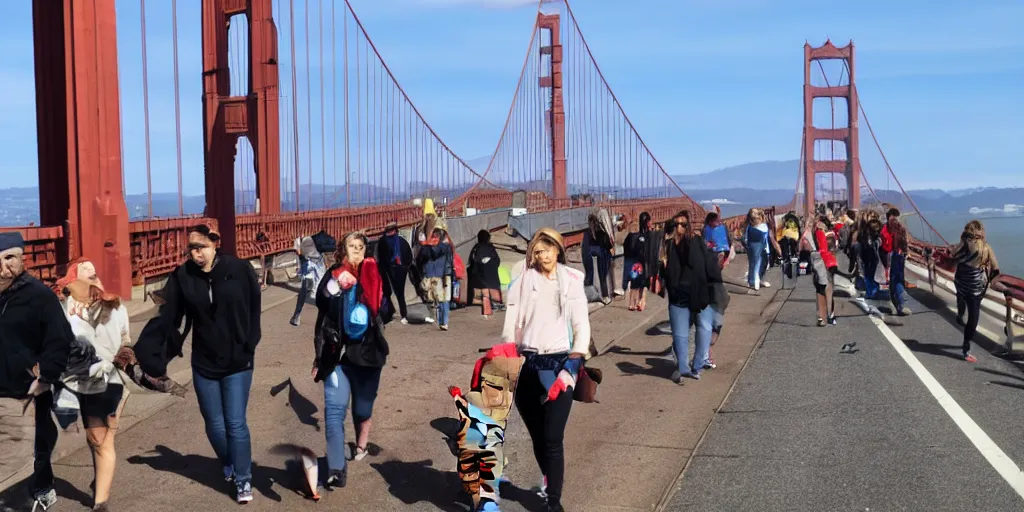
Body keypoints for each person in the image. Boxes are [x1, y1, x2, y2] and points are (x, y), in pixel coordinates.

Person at [135, 224, 262, 504]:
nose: (195, 254)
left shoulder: (238, 269)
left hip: (238, 360)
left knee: (235, 423)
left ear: (216, 243)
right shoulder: (183, 275)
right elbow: (167, 315)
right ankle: (230, 461)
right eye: (191, 248)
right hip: (204, 362)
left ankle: (243, 479)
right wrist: (148, 351)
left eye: (201, 247)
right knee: (214, 424)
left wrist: (251, 341)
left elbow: (254, 302)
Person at [501, 228, 590, 512]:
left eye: (548, 249)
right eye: (538, 251)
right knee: (538, 437)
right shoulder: (522, 282)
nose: (543, 255)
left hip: (560, 366)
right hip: (528, 366)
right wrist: (507, 356)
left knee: (553, 437)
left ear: (558, 250)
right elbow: (511, 326)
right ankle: (549, 482)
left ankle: (554, 502)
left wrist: (575, 360)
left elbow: (581, 325)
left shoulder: (572, 281)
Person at [0, 232, 73, 511]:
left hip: (28, 388)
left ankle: (41, 487)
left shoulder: (39, 296)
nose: (3, 266)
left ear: (22, 259)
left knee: (36, 443)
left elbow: (59, 341)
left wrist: (47, 377)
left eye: (10, 258)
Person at [312, 231, 389, 488]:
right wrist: (337, 287)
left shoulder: (375, 273)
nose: (356, 251)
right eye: (351, 246)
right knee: (334, 413)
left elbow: (387, 312)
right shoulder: (335, 273)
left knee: (361, 410)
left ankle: (361, 444)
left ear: (366, 250)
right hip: (336, 356)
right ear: (343, 250)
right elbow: (321, 300)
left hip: (367, 356)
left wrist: (368, 291)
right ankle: (336, 467)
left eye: (360, 247)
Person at [55, 258, 132, 511]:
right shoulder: (66, 308)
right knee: (95, 438)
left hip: (109, 379)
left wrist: (123, 359)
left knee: (101, 438)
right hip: (78, 381)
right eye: (85, 274)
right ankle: (102, 480)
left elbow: (126, 341)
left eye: (94, 273)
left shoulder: (116, 306)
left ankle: (100, 503)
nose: (93, 277)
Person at [660, 210, 719, 384]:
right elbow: (663, 270)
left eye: (683, 224)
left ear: (689, 225)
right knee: (680, 335)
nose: (679, 228)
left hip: (698, 294)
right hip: (678, 296)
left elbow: (703, 267)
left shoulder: (695, 241)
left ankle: (698, 365)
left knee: (704, 330)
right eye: (676, 224)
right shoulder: (667, 245)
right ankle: (684, 369)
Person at [948, 220, 1000, 363]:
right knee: (973, 318)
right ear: (982, 233)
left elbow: (952, 260)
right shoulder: (986, 248)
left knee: (961, 297)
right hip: (976, 289)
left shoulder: (961, 246)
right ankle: (966, 349)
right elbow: (995, 270)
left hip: (960, 283)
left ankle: (959, 312)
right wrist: (991, 283)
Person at [376, 221, 413, 324]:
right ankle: (397, 313)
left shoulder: (397, 241)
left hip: (396, 269)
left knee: (395, 292)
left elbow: (408, 255)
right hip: (393, 269)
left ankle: (399, 313)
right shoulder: (387, 241)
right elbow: (381, 257)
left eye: (391, 230)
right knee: (393, 292)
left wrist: (405, 266)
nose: (390, 233)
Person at [808, 216, 839, 326]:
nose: (816, 225)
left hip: (823, 262)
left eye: (817, 223)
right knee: (828, 289)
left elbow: (823, 250)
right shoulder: (832, 233)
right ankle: (830, 315)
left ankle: (823, 317)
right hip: (831, 262)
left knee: (822, 289)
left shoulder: (821, 233)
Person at [290, 236, 327, 327]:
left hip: (316, 264)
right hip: (310, 264)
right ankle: (297, 315)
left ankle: (297, 316)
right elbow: (298, 252)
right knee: (307, 289)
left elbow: (299, 252)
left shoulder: (308, 237)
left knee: (316, 290)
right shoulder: (300, 239)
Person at [467, 229, 503, 318]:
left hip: (478, 274)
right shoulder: (489, 247)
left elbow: (472, 260)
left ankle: (486, 305)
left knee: (484, 290)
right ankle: (489, 306)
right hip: (489, 274)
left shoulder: (476, 247)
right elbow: (497, 260)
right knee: (488, 291)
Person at [882, 210, 911, 317]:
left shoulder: (884, 228)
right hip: (898, 256)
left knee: (892, 281)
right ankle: (901, 305)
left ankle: (895, 305)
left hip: (887, 257)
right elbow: (904, 243)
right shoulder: (901, 228)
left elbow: (882, 244)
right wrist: (906, 252)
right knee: (898, 280)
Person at [582, 211, 614, 304]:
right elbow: (608, 244)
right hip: (603, 254)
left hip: (594, 254)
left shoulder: (588, 233)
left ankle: (592, 295)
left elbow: (587, 247)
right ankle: (605, 296)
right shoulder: (603, 231)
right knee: (603, 276)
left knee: (592, 275)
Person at [741, 208, 771, 290]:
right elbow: (745, 238)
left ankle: (758, 279)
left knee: (764, 262)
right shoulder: (750, 227)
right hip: (754, 246)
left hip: (762, 246)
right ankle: (753, 281)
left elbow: (766, 239)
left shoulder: (763, 225)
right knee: (755, 263)